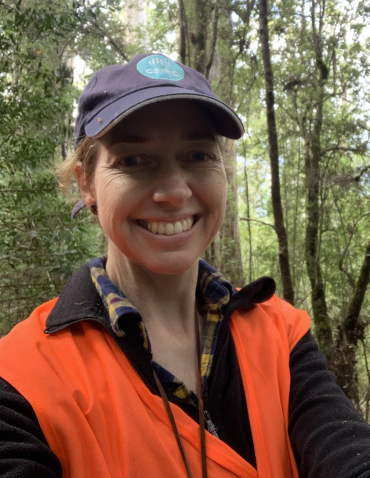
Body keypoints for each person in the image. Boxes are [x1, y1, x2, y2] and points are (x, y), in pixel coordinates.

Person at [0, 52, 370, 478]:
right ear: (86, 183)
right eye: (133, 160)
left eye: (197, 155)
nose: (174, 192)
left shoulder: (281, 337)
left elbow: (346, 451)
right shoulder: (23, 380)